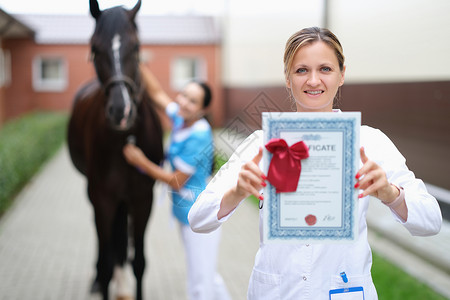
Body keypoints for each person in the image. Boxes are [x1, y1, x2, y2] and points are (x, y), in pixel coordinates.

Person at [188, 27, 442, 299]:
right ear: (287, 78)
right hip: (277, 291)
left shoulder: (370, 142)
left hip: (344, 289)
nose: (313, 80)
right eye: (301, 70)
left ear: (342, 75)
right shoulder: (262, 144)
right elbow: (197, 219)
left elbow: (431, 221)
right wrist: (236, 192)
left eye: (325, 69)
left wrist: (390, 194)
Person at [123, 65, 231, 300]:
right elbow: (157, 94)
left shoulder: (198, 135)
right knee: (207, 276)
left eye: (192, 101)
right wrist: (137, 61)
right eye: (183, 95)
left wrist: (141, 161)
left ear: (202, 110)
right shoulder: (183, 119)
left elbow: (176, 181)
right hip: (186, 214)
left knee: (199, 283)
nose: (183, 102)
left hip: (202, 216)